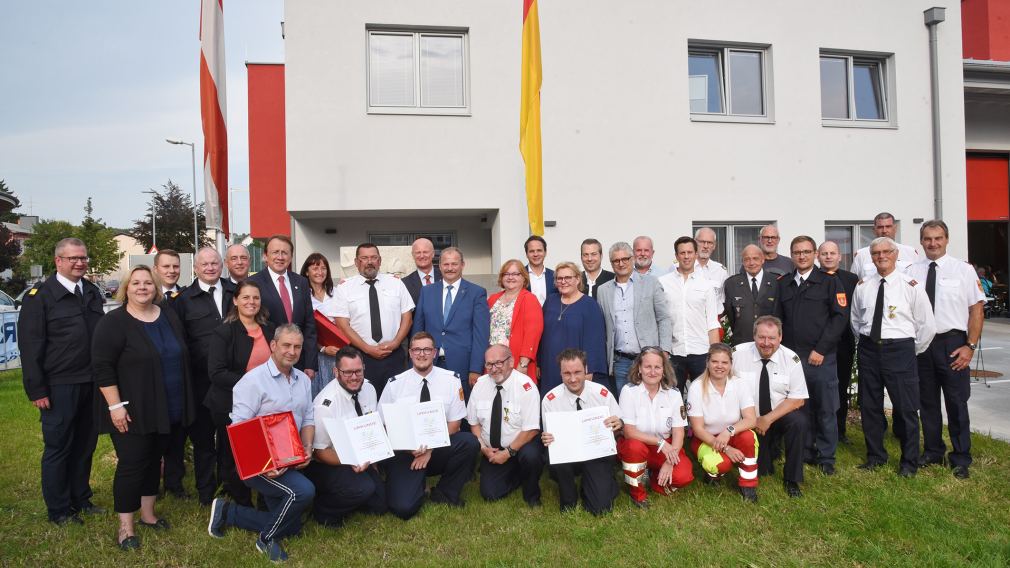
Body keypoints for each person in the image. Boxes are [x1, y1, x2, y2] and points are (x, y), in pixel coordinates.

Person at [92, 265, 193, 549]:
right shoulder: (114, 322)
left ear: (155, 287)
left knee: (153, 462)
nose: (142, 287)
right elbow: (102, 367)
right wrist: (115, 407)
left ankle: (148, 515)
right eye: (136, 283)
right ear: (127, 287)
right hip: (131, 409)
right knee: (132, 464)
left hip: (166, 406)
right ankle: (126, 527)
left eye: (148, 282)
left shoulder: (167, 315)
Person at [207, 324, 316, 563]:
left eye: (297, 347)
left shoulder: (303, 381)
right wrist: (264, 463)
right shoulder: (253, 381)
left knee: (293, 525)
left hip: (291, 457)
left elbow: (308, 418)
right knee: (304, 491)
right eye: (286, 345)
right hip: (257, 462)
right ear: (273, 346)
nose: (292, 351)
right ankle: (266, 539)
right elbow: (239, 428)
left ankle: (228, 512)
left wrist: (308, 448)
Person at [19, 238, 105, 525]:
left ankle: (81, 498)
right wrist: (37, 388)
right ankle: (58, 509)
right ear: (58, 261)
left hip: (91, 382)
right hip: (59, 385)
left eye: (83, 258)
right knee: (59, 447)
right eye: (73, 258)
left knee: (85, 445)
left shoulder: (91, 292)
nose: (80, 263)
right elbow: (30, 347)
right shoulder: (40, 296)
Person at [852, 237, 935, 477]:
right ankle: (876, 456)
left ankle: (909, 462)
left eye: (886, 251)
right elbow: (856, 321)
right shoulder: (863, 286)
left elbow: (926, 326)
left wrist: (910, 350)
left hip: (900, 350)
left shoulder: (911, 286)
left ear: (896, 254)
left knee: (906, 408)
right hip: (869, 349)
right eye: (876, 253)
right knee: (870, 406)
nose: (881, 256)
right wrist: (866, 344)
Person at [907, 220, 984, 479]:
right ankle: (932, 451)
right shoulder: (911, 271)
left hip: (953, 343)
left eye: (938, 238)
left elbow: (976, 310)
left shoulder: (963, 270)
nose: (933, 243)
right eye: (928, 239)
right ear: (921, 241)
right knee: (926, 401)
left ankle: (961, 456)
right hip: (923, 344)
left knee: (956, 401)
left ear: (947, 239)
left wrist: (970, 347)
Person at [380, 333, 480, 518]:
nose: (422, 354)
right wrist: (410, 449)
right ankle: (416, 487)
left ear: (434, 353)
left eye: (427, 349)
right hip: (405, 452)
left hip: (437, 449)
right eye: (417, 349)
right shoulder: (395, 384)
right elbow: (385, 425)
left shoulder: (451, 380)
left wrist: (430, 449)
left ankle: (445, 493)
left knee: (469, 442)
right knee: (403, 509)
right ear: (410, 353)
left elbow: (455, 424)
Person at [775, 236, 847, 475]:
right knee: (799, 408)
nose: (802, 256)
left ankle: (826, 457)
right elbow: (778, 322)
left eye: (806, 252)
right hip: (793, 359)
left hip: (821, 357)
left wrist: (821, 349)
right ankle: (804, 450)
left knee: (826, 408)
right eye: (797, 252)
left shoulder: (829, 282)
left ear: (815, 254)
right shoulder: (784, 283)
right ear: (792, 254)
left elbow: (839, 319)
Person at [169, 247, 235, 504]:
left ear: (222, 266)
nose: (210, 268)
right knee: (204, 439)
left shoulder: (234, 292)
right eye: (204, 264)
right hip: (200, 383)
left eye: (215, 263)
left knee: (230, 439)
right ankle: (206, 491)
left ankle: (229, 486)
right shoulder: (183, 300)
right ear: (195, 268)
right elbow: (181, 343)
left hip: (232, 381)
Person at [207, 280, 276, 507]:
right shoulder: (224, 332)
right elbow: (216, 373)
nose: (251, 302)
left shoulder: (270, 329)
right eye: (245, 297)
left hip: (264, 404)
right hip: (229, 403)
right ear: (235, 301)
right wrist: (254, 385)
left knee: (262, 452)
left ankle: (265, 497)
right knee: (233, 454)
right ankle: (240, 500)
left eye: (255, 297)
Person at [305, 347, 387, 526]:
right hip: (328, 463)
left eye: (358, 371)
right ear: (336, 372)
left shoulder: (369, 388)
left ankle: (353, 494)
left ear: (364, 368)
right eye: (347, 372)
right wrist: (352, 461)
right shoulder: (325, 405)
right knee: (363, 489)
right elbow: (320, 452)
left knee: (380, 505)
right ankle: (324, 509)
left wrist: (372, 462)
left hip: (359, 456)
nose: (354, 377)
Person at [323, 244, 413, 399]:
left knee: (396, 403)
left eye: (373, 258)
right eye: (364, 258)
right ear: (357, 262)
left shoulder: (396, 283)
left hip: (393, 355)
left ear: (379, 261)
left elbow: (407, 317)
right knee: (365, 404)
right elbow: (343, 325)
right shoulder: (345, 288)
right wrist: (367, 348)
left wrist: (396, 342)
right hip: (360, 358)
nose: (369, 261)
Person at [732, 316, 809, 497]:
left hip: (776, 416)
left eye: (772, 338)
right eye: (761, 337)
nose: (766, 343)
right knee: (763, 470)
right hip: (747, 419)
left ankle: (792, 479)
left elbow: (798, 399)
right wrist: (752, 419)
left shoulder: (791, 359)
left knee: (799, 422)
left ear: (780, 337)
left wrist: (767, 418)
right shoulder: (737, 354)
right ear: (754, 336)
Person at [541, 349, 622, 514]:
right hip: (568, 457)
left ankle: (600, 483)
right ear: (560, 373)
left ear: (586, 370)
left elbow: (619, 426)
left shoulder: (602, 394)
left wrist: (618, 424)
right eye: (567, 373)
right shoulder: (550, 400)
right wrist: (547, 437)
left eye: (577, 372)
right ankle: (568, 497)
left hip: (596, 454)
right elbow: (551, 439)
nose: (572, 379)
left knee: (600, 509)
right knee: (556, 455)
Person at [466, 345, 544, 506]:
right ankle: (517, 474)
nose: (494, 369)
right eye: (489, 364)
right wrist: (483, 449)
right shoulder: (480, 385)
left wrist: (507, 453)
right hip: (493, 450)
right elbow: (473, 424)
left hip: (522, 446)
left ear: (511, 362)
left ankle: (531, 494)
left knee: (531, 456)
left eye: (498, 363)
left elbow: (531, 430)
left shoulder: (526, 387)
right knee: (490, 493)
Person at [616, 347, 693, 508]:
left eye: (657, 367)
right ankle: (637, 493)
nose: (652, 371)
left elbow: (679, 431)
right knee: (634, 448)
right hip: (638, 445)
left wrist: (670, 461)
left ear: (664, 370)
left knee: (684, 476)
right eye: (647, 367)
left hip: (665, 448)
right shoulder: (629, 391)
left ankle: (653, 479)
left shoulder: (674, 393)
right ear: (639, 369)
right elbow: (629, 432)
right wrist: (660, 442)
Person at [411, 247, 490, 399]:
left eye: (454, 264)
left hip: (463, 366)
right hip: (429, 364)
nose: (450, 268)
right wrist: (415, 362)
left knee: (462, 414)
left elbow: (481, 335)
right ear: (439, 266)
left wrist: (476, 368)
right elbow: (418, 331)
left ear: (462, 265)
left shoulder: (476, 293)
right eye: (446, 264)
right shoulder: (427, 292)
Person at [597, 242, 672, 396]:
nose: (621, 263)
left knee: (652, 401)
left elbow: (664, 318)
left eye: (625, 259)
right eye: (616, 260)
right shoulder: (603, 290)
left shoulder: (651, 283)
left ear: (632, 259)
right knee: (625, 405)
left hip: (648, 359)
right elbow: (602, 327)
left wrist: (664, 351)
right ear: (611, 264)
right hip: (620, 361)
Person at [687, 343, 759, 502]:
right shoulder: (696, 387)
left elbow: (751, 419)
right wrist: (726, 449)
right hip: (705, 438)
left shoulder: (740, 384)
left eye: (724, 362)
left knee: (748, 437)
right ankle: (713, 475)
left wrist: (729, 431)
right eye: (715, 362)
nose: (719, 366)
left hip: (732, 434)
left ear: (731, 364)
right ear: (707, 363)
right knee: (721, 465)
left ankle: (748, 485)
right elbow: (698, 429)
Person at [248, 234, 319, 376]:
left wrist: (311, 363)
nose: (280, 257)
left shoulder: (301, 282)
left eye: (284, 253)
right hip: (268, 361)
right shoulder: (254, 283)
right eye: (275, 252)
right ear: (265, 256)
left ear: (291, 257)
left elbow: (309, 325)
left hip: (299, 361)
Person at [659, 237, 721, 395]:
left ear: (695, 254)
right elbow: (658, 318)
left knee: (703, 397)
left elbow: (712, 323)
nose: (686, 256)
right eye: (682, 253)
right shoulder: (663, 283)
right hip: (673, 352)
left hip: (701, 352)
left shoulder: (707, 285)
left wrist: (714, 355)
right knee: (672, 398)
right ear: (676, 255)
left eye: (689, 252)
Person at [539, 262, 608, 394]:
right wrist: (538, 363)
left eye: (568, 278)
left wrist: (589, 370)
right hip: (550, 366)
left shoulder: (589, 305)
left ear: (577, 279)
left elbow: (595, 342)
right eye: (559, 278)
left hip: (575, 370)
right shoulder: (550, 301)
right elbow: (542, 334)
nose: (563, 282)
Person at [817, 241, 859, 444]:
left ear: (840, 256)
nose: (828, 257)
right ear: (818, 256)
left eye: (832, 253)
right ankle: (817, 430)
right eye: (824, 253)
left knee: (841, 387)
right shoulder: (813, 278)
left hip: (843, 343)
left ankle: (840, 430)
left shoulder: (852, 280)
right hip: (818, 344)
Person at [487, 260, 544, 380]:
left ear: (524, 278)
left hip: (516, 362)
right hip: (492, 362)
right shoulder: (492, 299)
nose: (510, 277)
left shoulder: (529, 299)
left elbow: (533, 334)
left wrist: (523, 363)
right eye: (506, 274)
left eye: (515, 274)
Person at [300, 252, 339, 398]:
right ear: (306, 271)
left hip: (337, 351)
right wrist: (322, 348)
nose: (320, 272)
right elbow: (303, 328)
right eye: (315, 268)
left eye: (323, 268)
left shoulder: (336, 292)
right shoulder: (302, 295)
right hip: (313, 353)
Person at [724, 244, 778, 346]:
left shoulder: (776, 282)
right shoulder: (731, 284)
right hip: (742, 341)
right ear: (743, 262)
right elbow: (730, 316)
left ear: (762, 260)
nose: (751, 263)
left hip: (768, 343)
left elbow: (779, 314)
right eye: (747, 259)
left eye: (755, 258)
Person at [852, 212, 920, 280]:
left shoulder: (910, 252)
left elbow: (919, 278)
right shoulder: (861, 255)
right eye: (880, 227)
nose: (884, 231)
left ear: (895, 228)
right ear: (874, 230)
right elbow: (853, 281)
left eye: (888, 226)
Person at [691, 227, 729, 308]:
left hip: (714, 318)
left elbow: (723, 301)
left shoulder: (721, 271)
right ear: (694, 243)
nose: (705, 246)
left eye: (709, 242)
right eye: (702, 242)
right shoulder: (681, 267)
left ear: (714, 246)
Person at [401, 237, 441, 306]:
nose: (422, 256)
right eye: (418, 252)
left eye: (425, 252)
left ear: (433, 253)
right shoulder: (404, 283)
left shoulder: (446, 277)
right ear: (413, 255)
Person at [524, 235, 556, 305]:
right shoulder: (520, 275)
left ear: (545, 252)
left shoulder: (555, 276)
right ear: (526, 254)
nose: (536, 254)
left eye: (539, 250)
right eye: (532, 251)